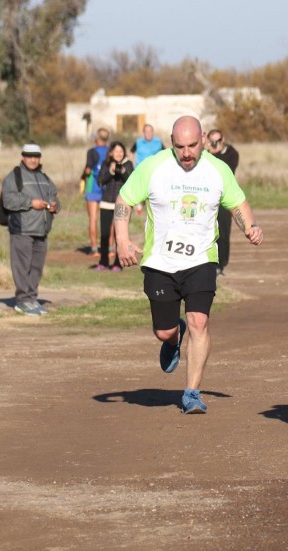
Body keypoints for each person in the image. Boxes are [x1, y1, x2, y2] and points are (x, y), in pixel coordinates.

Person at [114, 115, 263, 415]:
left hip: (201, 259)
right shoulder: (153, 167)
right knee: (164, 331)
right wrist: (122, 240)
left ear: (203, 139)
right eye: (180, 146)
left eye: (192, 146)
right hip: (161, 262)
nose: (186, 153)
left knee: (200, 321)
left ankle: (192, 392)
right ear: (171, 142)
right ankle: (173, 337)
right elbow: (124, 201)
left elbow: (237, 203)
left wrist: (249, 226)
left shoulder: (218, 170)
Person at [1, 142, 60, 316]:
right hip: (22, 230)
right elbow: (8, 200)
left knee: (36, 268)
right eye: (29, 156)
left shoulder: (44, 177)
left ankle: (32, 299)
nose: (33, 160)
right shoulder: (14, 176)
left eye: (36, 157)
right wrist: (30, 203)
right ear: (23, 157)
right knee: (22, 267)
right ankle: (22, 301)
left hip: (42, 231)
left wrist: (55, 206)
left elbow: (55, 196)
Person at [204, 129, 239, 276]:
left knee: (223, 232)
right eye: (212, 141)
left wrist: (214, 153)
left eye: (217, 141)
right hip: (208, 197)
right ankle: (208, 263)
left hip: (224, 198)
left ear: (222, 139)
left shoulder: (231, 153)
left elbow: (226, 170)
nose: (215, 144)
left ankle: (221, 264)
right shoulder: (205, 154)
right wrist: (206, 151)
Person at [95, 141, 133, 272]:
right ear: (111, 152)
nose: (119, 154)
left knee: (120, 235)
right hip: (106, 203)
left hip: (122, 204)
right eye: (116, 151)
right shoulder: (106, 164)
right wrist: (110, 172)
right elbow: (100, 181)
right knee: (104, 234)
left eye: (121, 151)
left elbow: (132, 181)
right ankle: (103, 262)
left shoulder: (128, 164)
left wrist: (123, 172)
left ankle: (118, 263)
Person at [81, 128, 109, 257]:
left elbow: (88, 170)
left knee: (93, 218)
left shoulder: (92, 152)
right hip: (107, 187)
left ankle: (94, 249)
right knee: (109, 219)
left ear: (97, 138)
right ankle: (110, 249)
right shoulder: (111, 150)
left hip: (93, 187)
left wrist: (82, 177)